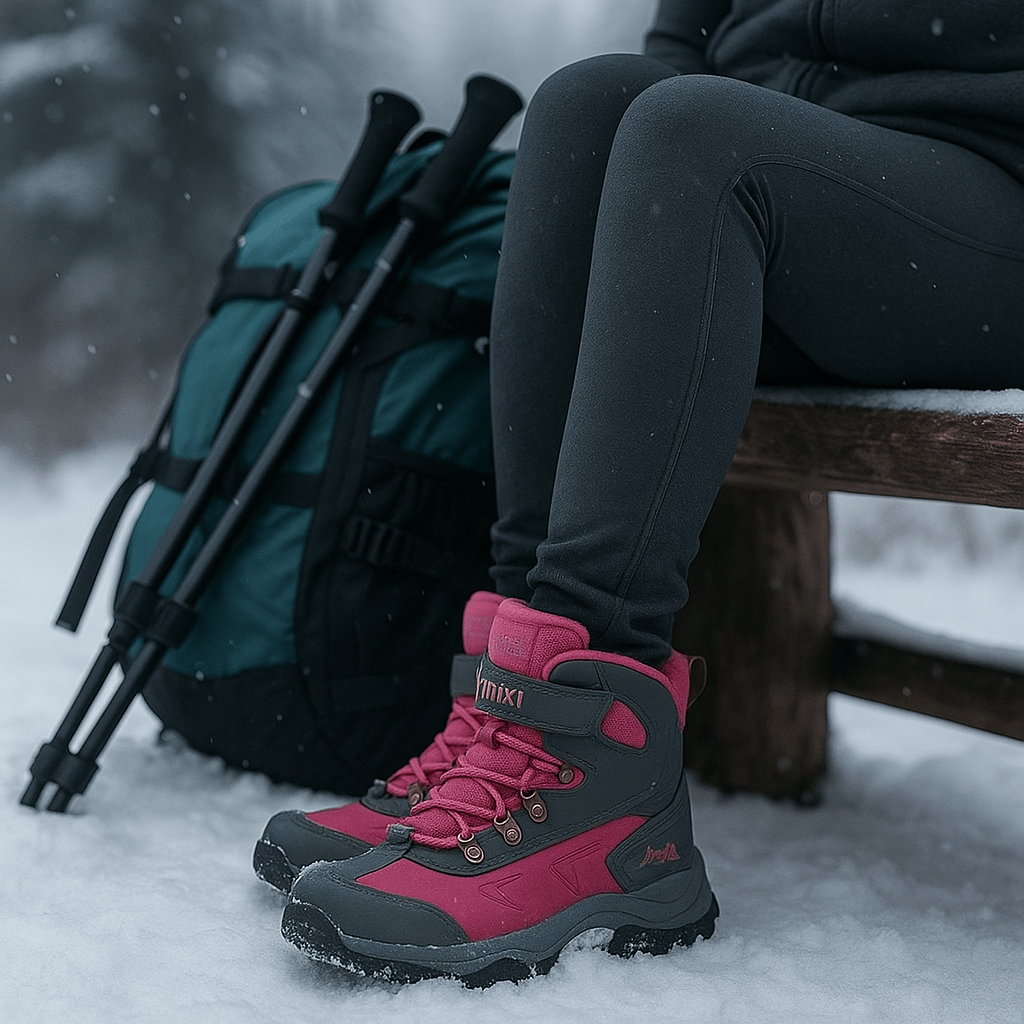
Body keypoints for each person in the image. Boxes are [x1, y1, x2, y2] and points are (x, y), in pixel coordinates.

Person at [256, 0, 1024, 984]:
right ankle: (519, 718)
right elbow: (684, 37)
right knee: (593, 105)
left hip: (983, 199)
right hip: (798, 193)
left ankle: (593, 767)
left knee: (695, 131)